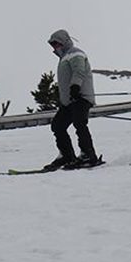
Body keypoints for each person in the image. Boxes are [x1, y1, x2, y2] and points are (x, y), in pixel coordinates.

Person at [44, 29, 101, 170]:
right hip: (69, 101)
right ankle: (66, 155)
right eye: (53, 45)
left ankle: (88, 155)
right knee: (58, 125)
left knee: (79, 123)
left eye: (57, 44)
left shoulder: (75, 53)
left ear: (64, 42)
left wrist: (75, 87)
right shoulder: (64, 58)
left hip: (81, 97)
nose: (55, 47)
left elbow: (79, 71)